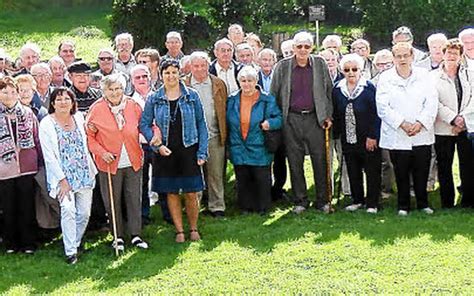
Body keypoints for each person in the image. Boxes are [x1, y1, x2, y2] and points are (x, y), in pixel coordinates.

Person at [140, 58, 208, 243]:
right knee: (171, 192)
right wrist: (156, 146)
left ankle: (193, 228)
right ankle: (179, 230)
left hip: (189, 148)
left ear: (180, 74)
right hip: (165, 152)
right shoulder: (154, 98)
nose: (171, 76)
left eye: (174, 72)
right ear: (161, 76)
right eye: (167, 72)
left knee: (191, 192)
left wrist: (202, 151)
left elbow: (201, 124)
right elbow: (144, 124)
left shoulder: (192, 95)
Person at [270, 31, 333, 214]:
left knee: (320, 159)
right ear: (293, 48)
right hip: (291, 119)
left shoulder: (320, 64)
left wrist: (328, 115)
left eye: (307, 46)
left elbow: (328, 92)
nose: (303, 50)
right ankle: (300, 200)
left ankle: (323, 200)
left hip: (316, 118)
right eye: (299, 46)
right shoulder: (282, 67)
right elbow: (274, 94)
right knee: (295, 161)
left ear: (312, 47)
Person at [86, 73, 148, 251]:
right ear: (104, 91)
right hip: (109, 163)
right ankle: (118, 236)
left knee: (134, 198)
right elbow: (89, 137)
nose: (115, 92)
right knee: (112, 201)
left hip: (133, 160)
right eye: (111, 89)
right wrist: (101, 152)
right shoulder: (96, 109)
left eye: (118, 88)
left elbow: (145, 125)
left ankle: (136, 234)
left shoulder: (133, 105)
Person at [376, 42, 437, 216]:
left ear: (412, 56)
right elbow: (382, 106)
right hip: (398, 133)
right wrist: (402, 123)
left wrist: (420, 123)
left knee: (422, 170)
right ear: (393, 58)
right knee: (401, 171)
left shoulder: (425, 75)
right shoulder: (385, 78)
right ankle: (403, 206)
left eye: (405, 55)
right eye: (398, 56)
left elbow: (431, 102)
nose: (402, 59)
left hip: (421, 133)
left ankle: (423, 203)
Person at [39, 87, 97, 264]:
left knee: (84, 213)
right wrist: (62, 180)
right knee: (68, 211)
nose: (63, 102)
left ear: (72, 102)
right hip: (62, 177)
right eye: (59, 99)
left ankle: (75, 240)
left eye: (67, 99)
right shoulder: (47, 124)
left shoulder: (79, 118)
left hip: (84, 173)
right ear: (52, 103)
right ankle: (70, 251)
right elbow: (49, 156)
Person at [227, 66, 282, 213]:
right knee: (242, 178)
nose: (247, 84)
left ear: (256, 81)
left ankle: (263, 207)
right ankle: (245, 207)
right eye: (243, 81)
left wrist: (269, 124)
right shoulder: (232, 100)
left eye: (250, 80)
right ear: (239, 82)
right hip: (238, 145)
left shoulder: (267, 99)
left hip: (260, 145)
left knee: (261, 178)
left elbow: (279, 118)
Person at [333, 54, 381, 213]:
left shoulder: (368, 88)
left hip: (367, 138)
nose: (351, 72)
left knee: (372, 170)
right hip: (348, 137)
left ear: (360, 70)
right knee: (352, 169)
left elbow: (377, 113)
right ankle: (357, 200)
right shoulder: (338, 89)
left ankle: (373, 203)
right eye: (347, 70)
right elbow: (335, 112)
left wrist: (373, 136)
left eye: (354, 69)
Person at [0, 77, 41, 254]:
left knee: (27, 206)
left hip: (27, 166)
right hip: (4, 169)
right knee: (8, 206)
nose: (9, 95)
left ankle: (28, 243)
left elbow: (37, 137)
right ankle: (11, 243)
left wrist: (40, 161)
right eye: (5, 92)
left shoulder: (27, 112)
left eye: (12, 92)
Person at [184, 51, 228, 217]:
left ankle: (217, 207)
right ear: (190, 67)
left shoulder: (218, 83)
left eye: (203, 65)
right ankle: (195, 207)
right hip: (191, 139)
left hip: (214, 135)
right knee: (195, 174)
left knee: (216, 174)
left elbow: (223, 108)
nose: (200, 69)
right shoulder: (184, 84)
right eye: (196, 66)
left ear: (208, 65)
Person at [432, 39, 474, 208]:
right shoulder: (432, 77)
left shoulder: (469, 74)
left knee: (468, 165)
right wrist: (452, 119)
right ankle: (447, 202)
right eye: (448, 53)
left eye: (455, 53)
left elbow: (473, 97)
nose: (451, 56)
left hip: (466, 127)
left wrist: (462, 118)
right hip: (443, 128)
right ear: (443, 55)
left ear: (460, 56)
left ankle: (469, 200)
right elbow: (435, 102)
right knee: (444, 166)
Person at [129, 64, 171, 225]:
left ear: (150, 77)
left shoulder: (161, 97)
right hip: (139, 145)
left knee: (163, 178)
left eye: (144, 76)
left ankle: (167, 213)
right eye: (138, 77)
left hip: (160, 144)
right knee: (141, 181)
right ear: (132, 81)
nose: (141, 79)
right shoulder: (129, 101)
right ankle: (143, 214)